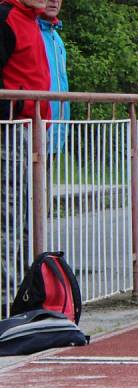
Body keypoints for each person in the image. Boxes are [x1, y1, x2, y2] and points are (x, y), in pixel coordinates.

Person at [1, 0, 50, 318]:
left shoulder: (32, 19)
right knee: (9, 215)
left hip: (30, 130)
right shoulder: (6, 18)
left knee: (24, 217)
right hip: (10, 129)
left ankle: (19, 295)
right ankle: (5, 299)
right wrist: (15, 109)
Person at [38, 0, 68, 153]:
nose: (54, 1)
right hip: (31, 128)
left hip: (56, 130)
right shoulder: (29, 32)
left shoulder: (56, 38)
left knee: (45, 176)